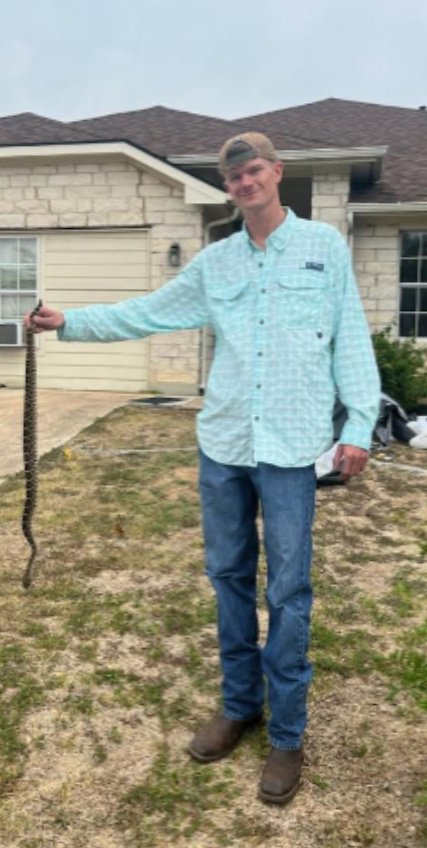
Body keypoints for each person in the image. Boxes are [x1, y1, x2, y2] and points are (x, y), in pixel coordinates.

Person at [25, 132, 380, 805]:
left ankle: (287, 734)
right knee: (226, 578)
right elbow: (146, 312)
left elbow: (350, 336)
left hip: (289, 450)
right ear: (227, 189)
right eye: (233, 176)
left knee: (288, 592)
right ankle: (239, 703)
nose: (244, 183)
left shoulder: (323, 249)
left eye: (253, 171)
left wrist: (358, 424)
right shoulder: (215, 264)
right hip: (223, 444)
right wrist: (69, 322)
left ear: (275, 173)